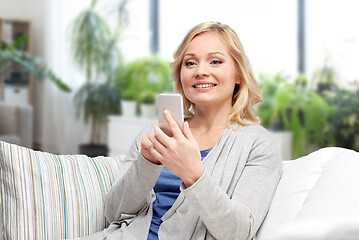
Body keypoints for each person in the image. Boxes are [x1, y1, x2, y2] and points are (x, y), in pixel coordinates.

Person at [84, 21, 282, 240]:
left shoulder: (258, 144)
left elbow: (238, 232)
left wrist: (193, 174)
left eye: (215, 61)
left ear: (238, 75)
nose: (200, 71)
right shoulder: (155, 132)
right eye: (190, 63)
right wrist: (147, 163)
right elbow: (114, 213)